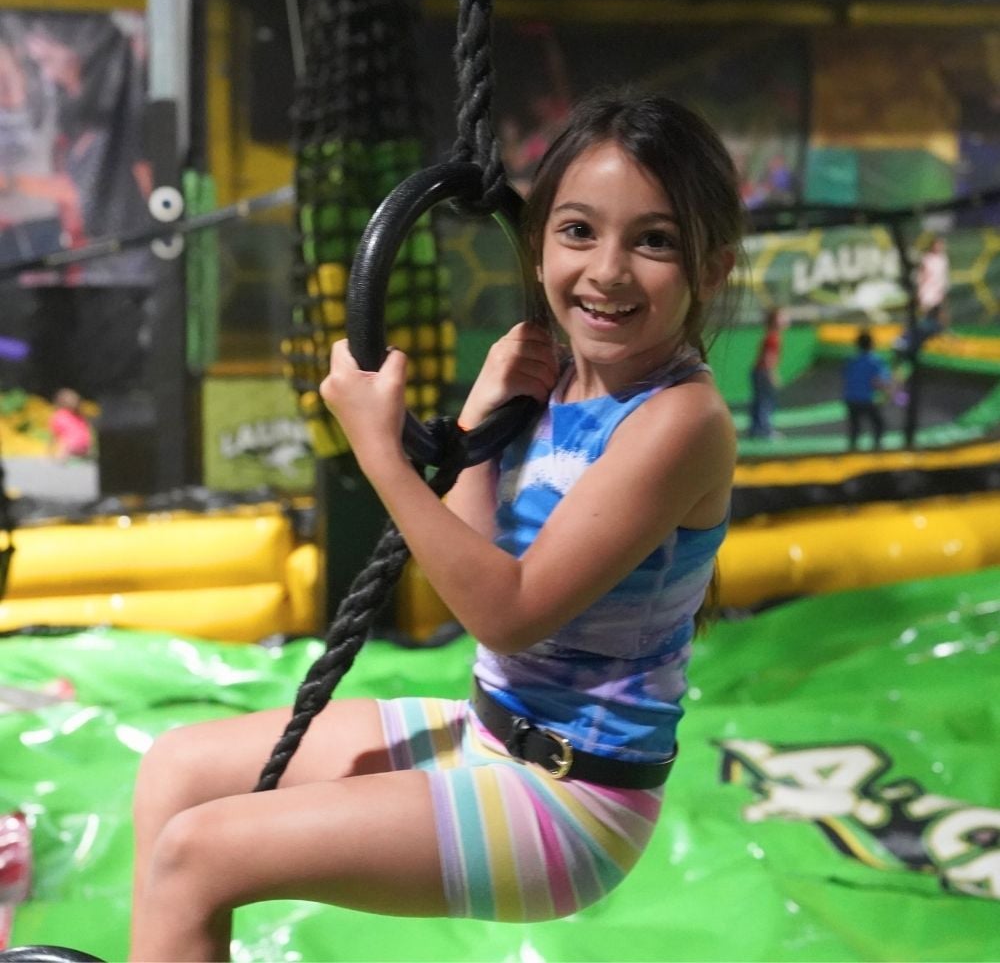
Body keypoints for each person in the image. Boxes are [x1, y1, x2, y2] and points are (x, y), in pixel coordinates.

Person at [128, 90, 743, 962]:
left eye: (653, 241)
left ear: (711, 270)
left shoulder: (680, 421)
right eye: (577, 231)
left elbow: (507, 609)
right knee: (176, 773)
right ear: (537, 246)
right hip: (490, 727)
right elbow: (468, 559)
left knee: (198, 858)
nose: (606, 270)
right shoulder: (556, 377)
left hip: (571, 798)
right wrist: (481, 424)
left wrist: (382, 451)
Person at [842, 330, 891, 452]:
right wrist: (888, 393)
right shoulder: (875, 361)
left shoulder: (850, 360)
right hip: (866, 399)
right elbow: (878, 382)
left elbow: (846, 376)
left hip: (850, 399)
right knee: (879, 425)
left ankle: (852, 451)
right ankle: (877, 449)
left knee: (855, 428)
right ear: (872, 344)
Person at [747, 306, 786, 439]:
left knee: (760, 401)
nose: (785, 319)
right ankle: (764, 430)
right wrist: (772, 374)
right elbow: (768, 358)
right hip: (763, 372)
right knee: (766, 401)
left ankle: (756, 429)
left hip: (758, 371)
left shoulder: (770, 335)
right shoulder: (773, 337)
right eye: (782, 317)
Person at [48, 386, 92, 459]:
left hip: (73, 444)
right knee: (65, 444)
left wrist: (50, 448)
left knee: (64, 443)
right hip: (80, 444)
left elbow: (54, 434)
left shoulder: (60, 415)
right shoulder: (77, 416)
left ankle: (60, 458)